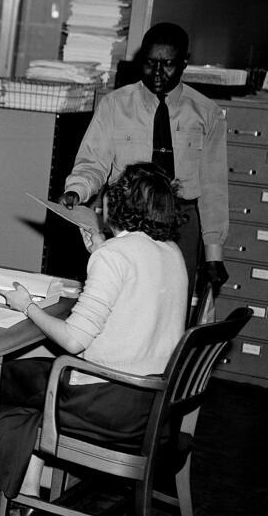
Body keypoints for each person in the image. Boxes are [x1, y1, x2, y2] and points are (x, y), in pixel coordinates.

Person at [0, 163, 188, 502]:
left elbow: (73, 340)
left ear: (116, 205)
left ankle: (4, 494)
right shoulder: (172, 251)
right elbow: (135, 296)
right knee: (32, 377)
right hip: (153, 406)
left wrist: (27, 306)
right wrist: (102, 251)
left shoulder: (114, 255)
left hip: (108, 405)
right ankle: (28, 487)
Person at [59, 22, 228, 311]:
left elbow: (213, 188)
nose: (157, 73)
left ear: (184, 62)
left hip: (180, 219)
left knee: (171, 308)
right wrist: (77, 190)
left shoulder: (206, 113)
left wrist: (214, 254)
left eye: (168, 64)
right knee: (121, 303)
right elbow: (93, 162)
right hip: (128, 217)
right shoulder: (115, 105)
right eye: (150, 64)